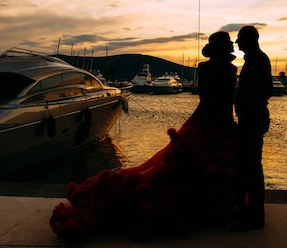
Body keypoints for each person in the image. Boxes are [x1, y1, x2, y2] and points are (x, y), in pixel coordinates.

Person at [50, 32, 239, 240]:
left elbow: (212, 97)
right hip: (214, 121)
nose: (231, 46)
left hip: (210, 119)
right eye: (229, 44)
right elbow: (217, 98)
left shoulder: (214, 69)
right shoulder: (226, 70)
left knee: (190, 165)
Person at [232, 25, 273, 232]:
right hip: (249, 118)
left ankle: (255, 217)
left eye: (241, 40)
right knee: (248, 165)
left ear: (250, 40)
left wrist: (248, 106)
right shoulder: (254, 59)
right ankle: (250, 210)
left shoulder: (258, 60)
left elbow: (265, 90)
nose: (239, 44)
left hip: (252, 120)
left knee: (253, 167)